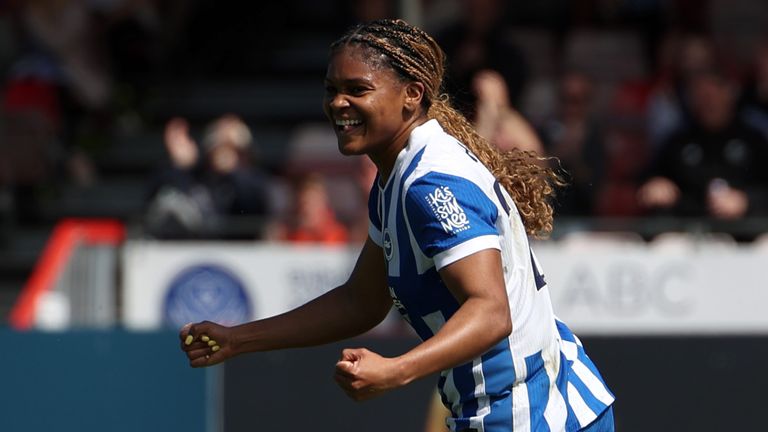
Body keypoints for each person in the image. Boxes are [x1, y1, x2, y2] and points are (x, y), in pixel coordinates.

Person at [180, 19, 614, 431]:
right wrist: (239, 339)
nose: (338, 103)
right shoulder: (398, 176)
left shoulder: (430, 183)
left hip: (527, 413)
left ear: (412, 95)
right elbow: (361, 301)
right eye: (332, 90)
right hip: (542, 404)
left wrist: (395, 370)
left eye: (357, 90)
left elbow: (491, 311)